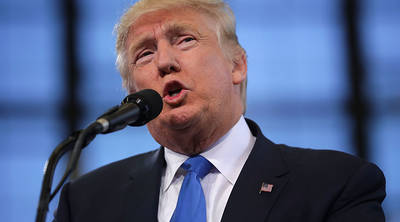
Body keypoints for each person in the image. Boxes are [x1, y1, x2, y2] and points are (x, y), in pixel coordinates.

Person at [54, 0, 386, 221]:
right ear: (132, 95)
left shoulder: (334, 184)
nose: (165, 62)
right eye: (144, 54)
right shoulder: (86, 203)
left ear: (236, 65)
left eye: (185, 40)